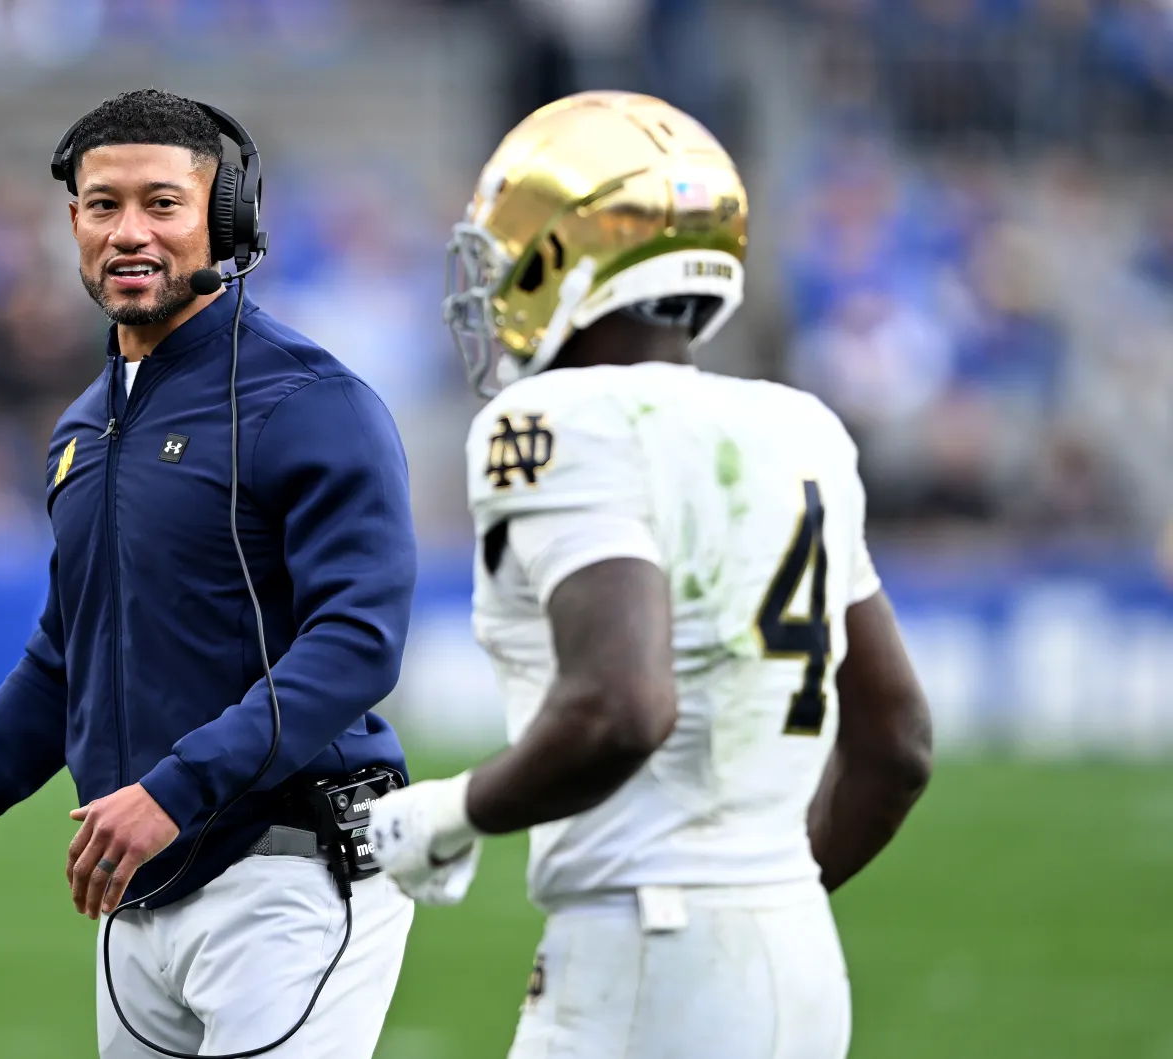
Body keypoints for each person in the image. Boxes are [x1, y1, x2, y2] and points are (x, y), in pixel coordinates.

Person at [0, 88, 418, 1059]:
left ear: (225, 218)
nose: (128, 231)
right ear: (72, 223)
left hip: (285, 876)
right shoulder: (83, 422)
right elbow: (67, 659)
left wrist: (175, 786)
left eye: (162, 203)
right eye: (104, 205)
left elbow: (358, 646)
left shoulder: (312, 403)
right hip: (135, 897)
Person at [369, 90, 935, 1059]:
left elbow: (621, 706)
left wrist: (446, 814)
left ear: (560, 254)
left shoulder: (557, 422)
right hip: (798, 957)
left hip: (644, 947)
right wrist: (757, 900)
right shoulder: (801, 426)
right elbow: (895, 745)